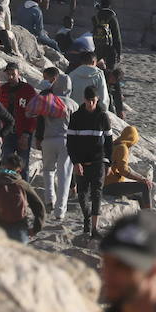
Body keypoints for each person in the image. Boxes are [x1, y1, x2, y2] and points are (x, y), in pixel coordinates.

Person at [68, 84, 113, 236]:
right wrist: (75, 162)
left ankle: (94, 228)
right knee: (82, 195)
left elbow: (108, 140)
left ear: (97, 99)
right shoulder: (75, 117)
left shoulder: (102, 117)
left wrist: (108, 162)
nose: (91, 104)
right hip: (81, 162)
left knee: (97, 194)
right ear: (84, 100)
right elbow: (70, 142)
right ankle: (87, 218)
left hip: (98, 161)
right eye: (88, 101)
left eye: (93, 101)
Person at [38, 74, 78, 223]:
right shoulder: (73, 104)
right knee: (64, 176)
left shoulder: (48, 100)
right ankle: (60, 211)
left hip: (48, 139)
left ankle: (49, 199)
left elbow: (40, 121)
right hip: (66, 141)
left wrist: (39, 138)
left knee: (48, 170)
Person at [0, 152, 45, 243]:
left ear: (3, 166)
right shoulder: (23, 185)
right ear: (19, 170)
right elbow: (39, 207)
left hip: (0, 230)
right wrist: (36, 228)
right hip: (20, 230)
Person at [0, 62, 40, 179]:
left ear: (18, 74)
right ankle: (5, 189)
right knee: (6, 163)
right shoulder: (3, 89)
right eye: (8, 74)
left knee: (23, 165)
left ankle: (23, 190)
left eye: (13, 74)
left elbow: (34, 114)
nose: (10, 77)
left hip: (23, 132)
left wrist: (27, 133)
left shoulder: (28, 90)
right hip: (7, 132)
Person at [104, 124, 155, 210]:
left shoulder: (114, 144)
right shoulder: (122, 148)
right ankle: (149, 214)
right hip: (111, 186)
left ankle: (143, 217)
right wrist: (141, 179)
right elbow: (123, 171)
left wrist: (140, 177)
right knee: (145, 186)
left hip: (105, 184)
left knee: (139, 197)